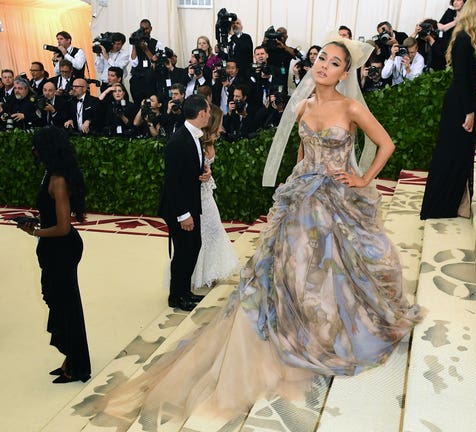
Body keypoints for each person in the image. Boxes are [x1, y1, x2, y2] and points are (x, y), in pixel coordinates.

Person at [87, 37, 422, 428]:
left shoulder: (350, 107)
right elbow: (302, 150)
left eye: (334, 63)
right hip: (303, 194)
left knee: (340, 262)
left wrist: (362, 177)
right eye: (321, 59)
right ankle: (295, 326)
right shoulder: (303, 106)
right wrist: (296, 178)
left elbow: (386, 143)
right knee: (292, 265)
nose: (324, 66)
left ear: (345, 73)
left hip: (337, 195)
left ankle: (333, 328)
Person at [17, 127, 91, 384]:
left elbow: (63, 227)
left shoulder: (58, 180)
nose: (33, 150)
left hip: (62, 248)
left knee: (65, 305)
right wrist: (36, 223)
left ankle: (77, 364)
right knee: (59, 302)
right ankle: (72, 358)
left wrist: (35, 231)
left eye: (36, 146)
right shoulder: (50, 172)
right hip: (54, 247)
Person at [420, 0, 476, 219]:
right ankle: (441, 206)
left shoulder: (471, 38)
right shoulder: (464, 39)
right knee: (452, 155)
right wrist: (469, 111)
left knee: (461, 155)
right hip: (460, 106)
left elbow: (467, 79)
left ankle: (456, 203)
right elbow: (459, 80)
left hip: (464, 101)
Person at [158, 94, 212, 312]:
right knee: (183, 251)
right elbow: (172, 182)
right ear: (201, 114)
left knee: (193, 247)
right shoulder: (178, 141)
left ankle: (184, 291)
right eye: (208, 111)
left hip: (190, 203)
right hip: (179, 208)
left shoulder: (193, 136)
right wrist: (183, 215)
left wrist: (205, 172)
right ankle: (176, 296)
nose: (210, 114)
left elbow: (191, 168)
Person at [191, 104, 240, 290]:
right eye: (219, 122)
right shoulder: (196, 142)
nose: (221, 127)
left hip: (207, 193)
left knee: (214, 230)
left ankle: (211, 271)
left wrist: (208, 171)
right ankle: (199, 274)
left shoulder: (210, 142)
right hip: (197, 195)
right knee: (203, 233)